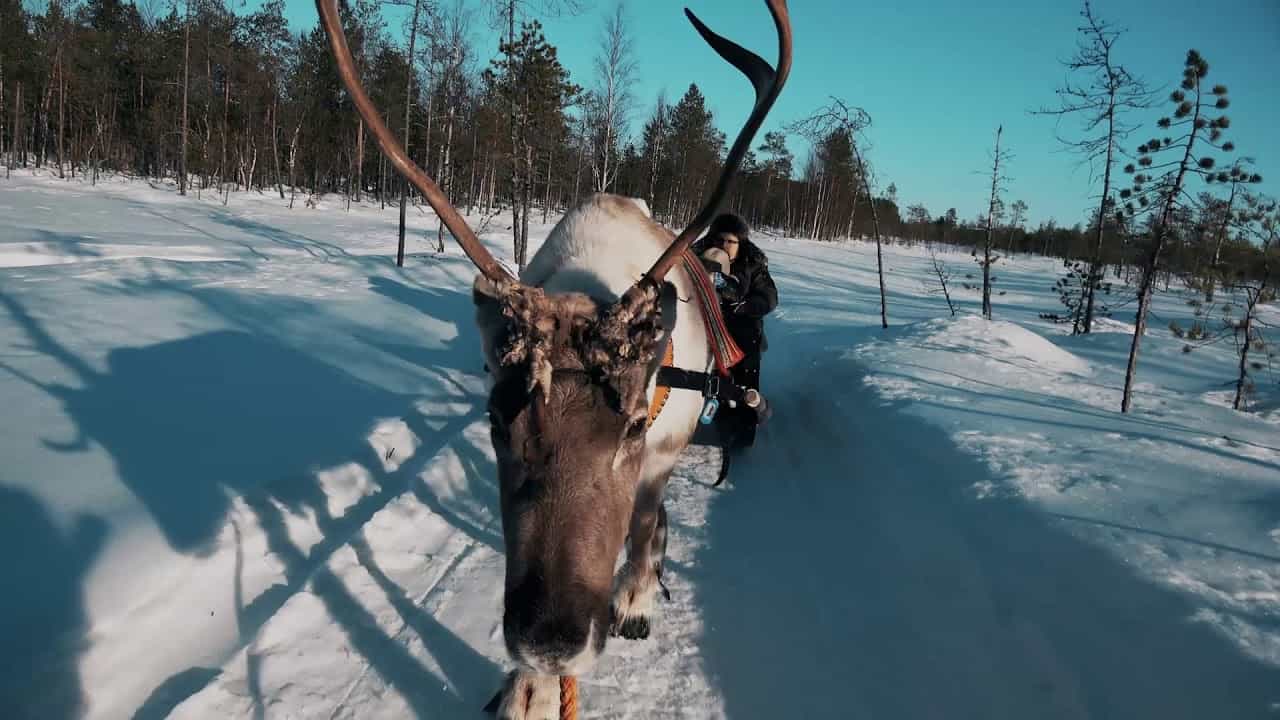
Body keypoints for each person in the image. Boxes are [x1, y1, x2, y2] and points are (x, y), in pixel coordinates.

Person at [696, 213, 778, 448]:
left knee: (745, 376)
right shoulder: (696, 258)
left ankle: (745, 422)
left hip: (742, 334)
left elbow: (769, 298)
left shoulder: (753, 265)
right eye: (720, 240)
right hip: (703, 328)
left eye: (730, 241)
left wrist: (744, 306)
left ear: (740, 243)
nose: (724, 245)